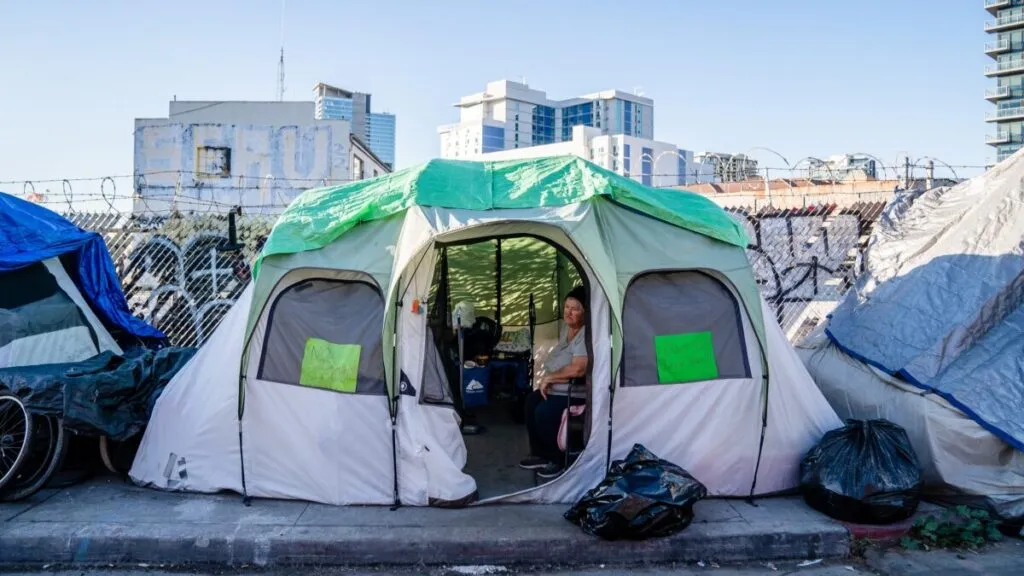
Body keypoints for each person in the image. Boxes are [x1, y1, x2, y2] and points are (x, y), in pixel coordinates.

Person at [519, 286, 588, 478]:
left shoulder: (585, 334)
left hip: (575, 392)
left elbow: (579, 368)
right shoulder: (568, 329)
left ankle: (556, 460)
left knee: (544, 411)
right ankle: (540, 454)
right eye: (567, 307)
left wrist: (549, 377)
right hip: (559, 389)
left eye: (575, 308)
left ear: (586, 312)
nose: (569, 312)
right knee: (531, 401)